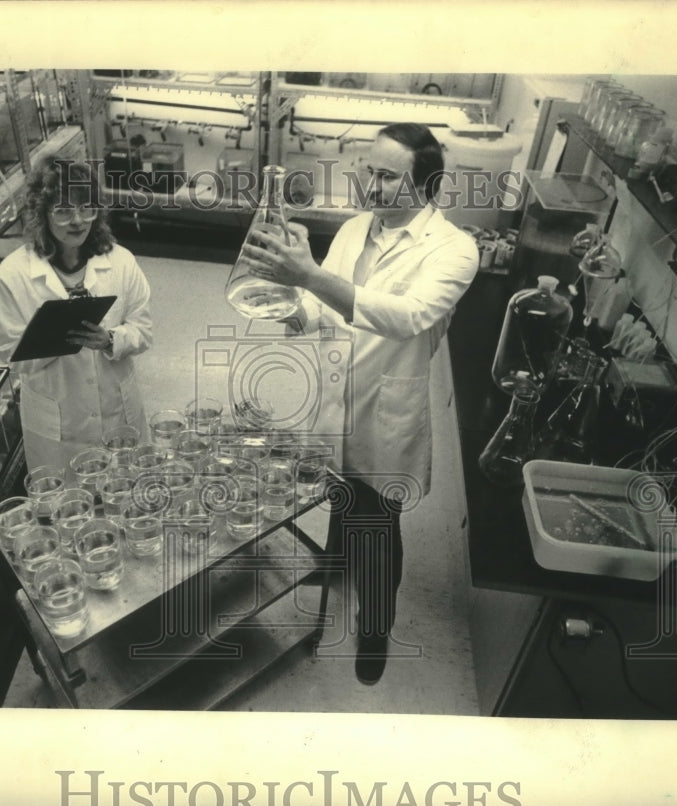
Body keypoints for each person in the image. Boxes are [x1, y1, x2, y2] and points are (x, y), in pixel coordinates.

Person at [240, 123, 478, 685]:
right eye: (368, 170)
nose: (370, 185)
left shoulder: (454, 250)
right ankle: (336, 565)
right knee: (341, 496)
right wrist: (288, 304)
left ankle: (375, 627)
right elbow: (325, 308)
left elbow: (408, 316)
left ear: (426, 186)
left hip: (387, 407)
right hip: (335, 397)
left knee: (376, 524)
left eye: (387, 176)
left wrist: (309, 276)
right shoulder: (353, 230)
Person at [0, 155, 153, 472]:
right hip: (58, 423)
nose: (77, 220)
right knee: (68, 505)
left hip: (117, 409)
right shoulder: (12, 274)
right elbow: (6, 350)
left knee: (127, 493)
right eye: (63, 210)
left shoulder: (120, 261)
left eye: (85, 207)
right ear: (42, 214)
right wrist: (51, 339)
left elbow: (143, 330)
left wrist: (110, 340)